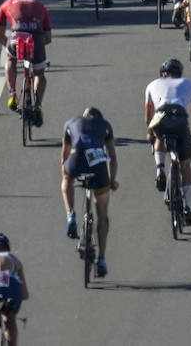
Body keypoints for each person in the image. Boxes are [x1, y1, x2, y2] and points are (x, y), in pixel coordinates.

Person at [144, 58, 191, 226]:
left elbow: (148, 117)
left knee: (158, 136)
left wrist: (150, 132)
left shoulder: (152, 84)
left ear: (163, 74)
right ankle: (189, 208)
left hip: (160, 115)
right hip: (180, 117)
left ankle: (159, 169)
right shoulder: (190, 84)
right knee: (185, 166)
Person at [60, 106, 119, 278]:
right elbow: (112, 156)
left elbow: (64, 155)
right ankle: (101, 259)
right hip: (97, 163)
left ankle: (71, 214)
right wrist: (112, 180)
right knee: (102, 214)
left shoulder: (71, 123)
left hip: (76, 158)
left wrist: (66, 174)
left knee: (66, 179)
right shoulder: (105, 125)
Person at [0, 0, 51, 125]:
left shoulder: (6, 5)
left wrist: (8, 48)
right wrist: (38, 50)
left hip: (17, 39)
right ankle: (37, 106)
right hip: (36, 40)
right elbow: (48, 37)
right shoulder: (40, 5)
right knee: (39, 74)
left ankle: (12, 93)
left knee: (10, 58)